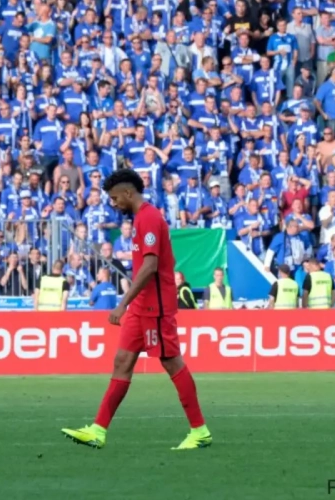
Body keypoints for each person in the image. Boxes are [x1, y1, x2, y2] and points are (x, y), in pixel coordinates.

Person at [61, 169, 211, 450]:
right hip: (142, 305)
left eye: (116, 198)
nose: (114, 203)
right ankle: (98, 430)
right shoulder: (141, 219)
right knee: (122, 361)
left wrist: (122, 303)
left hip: (155, 306)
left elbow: (150, 266)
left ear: (129, 193)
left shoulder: (149, 217)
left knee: (171, 361)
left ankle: (199, 429)